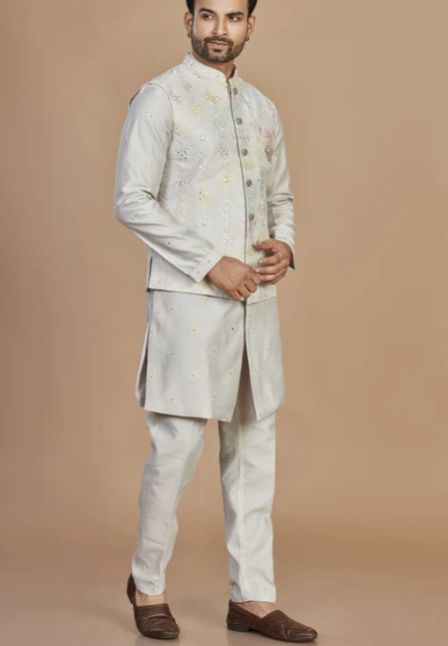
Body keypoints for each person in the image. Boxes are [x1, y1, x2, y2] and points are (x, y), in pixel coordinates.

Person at [114, 0, 318, 641]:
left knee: (254, 453)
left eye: (232, 17)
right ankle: (148, 583)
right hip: (189, 303)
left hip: (257, 306)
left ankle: (252, 599)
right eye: (207, 16)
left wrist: (285, 243)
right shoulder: (161, 98)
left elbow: (280, 194)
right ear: (188, 21)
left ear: (251, 24)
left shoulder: (261, 107)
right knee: (176, 450)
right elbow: (131, 199)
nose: (218, 30)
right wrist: (210, 263)